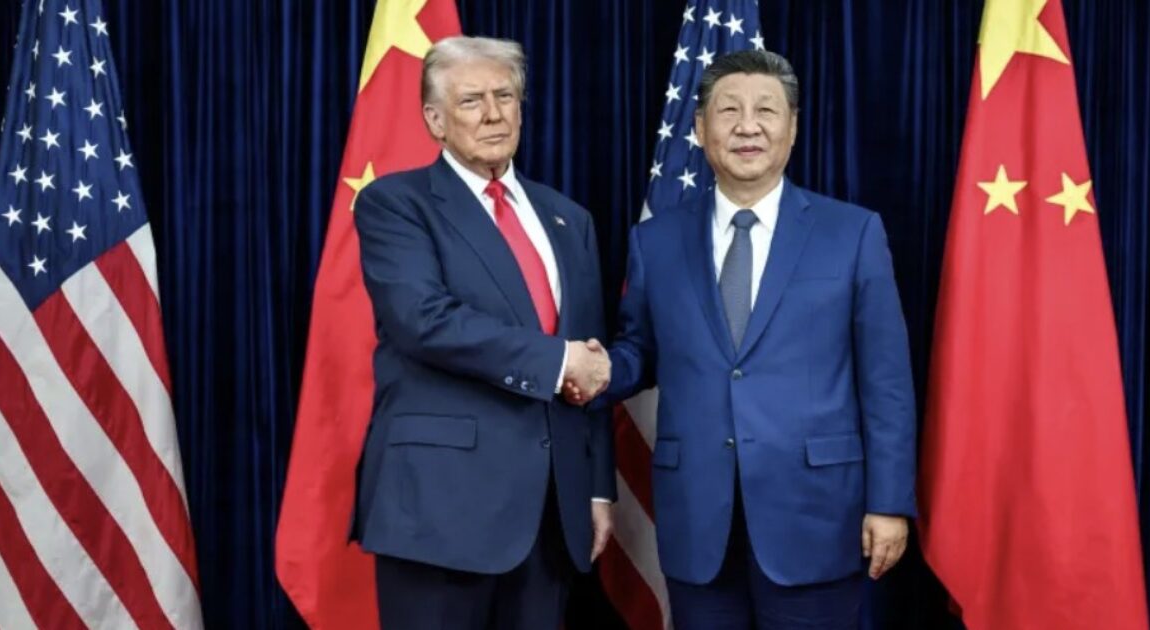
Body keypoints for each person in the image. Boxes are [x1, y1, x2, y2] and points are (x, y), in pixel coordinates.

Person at [569, 50, 917, 629]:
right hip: (698, 521)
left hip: (817, 518)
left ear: (793, 126)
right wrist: (602, 369)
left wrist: (889, 503)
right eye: (728, 110)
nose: (747, 125)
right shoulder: (656, 241)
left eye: (766, 110)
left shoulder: (852, 233)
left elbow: (886, 383)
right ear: (702, 129)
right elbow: (642, 350)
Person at [350, 35, 615, 630]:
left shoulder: (570, 218)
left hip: (551, 515)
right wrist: (559, 362)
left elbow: (589, 357)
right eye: (472, 101)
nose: (494, 114)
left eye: (505, 96)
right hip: (440, 511)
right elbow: (424, 320)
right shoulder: (396, 204)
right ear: (435, 120)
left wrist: (596, 488)